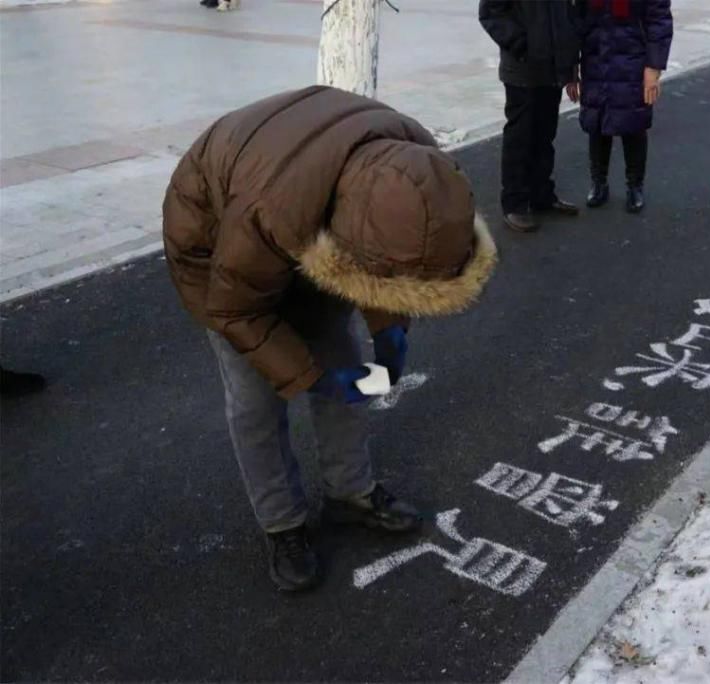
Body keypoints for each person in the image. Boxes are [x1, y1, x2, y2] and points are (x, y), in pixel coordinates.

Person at [162, 86, 497, 592]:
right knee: (256, 399)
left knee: (349, 363)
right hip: (219, 252)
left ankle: (350, 492)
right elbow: (236, 309)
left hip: (304, 215)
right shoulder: (268, 210)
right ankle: (283, 524)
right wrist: (311, 377)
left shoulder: (420, 163)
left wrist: (390, 333)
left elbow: (399, 259)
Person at [479, 0, 581, 233]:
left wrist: (570, 62)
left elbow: (569, 14)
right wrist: (522, 44)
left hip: (552, 67)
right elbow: (491, 12)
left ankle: (542, 195)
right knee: (520, 137)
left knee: (545, 134)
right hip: (522, 68)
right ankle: (514, 203)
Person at [567, 0, 674, 214]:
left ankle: (635, 186)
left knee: (633, 123)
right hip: (595, 58)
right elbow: (574, 21)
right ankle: (599, 183)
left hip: (632, 59)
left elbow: (659, 19)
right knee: (596, 122)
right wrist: (571, 66)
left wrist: (654, 67)